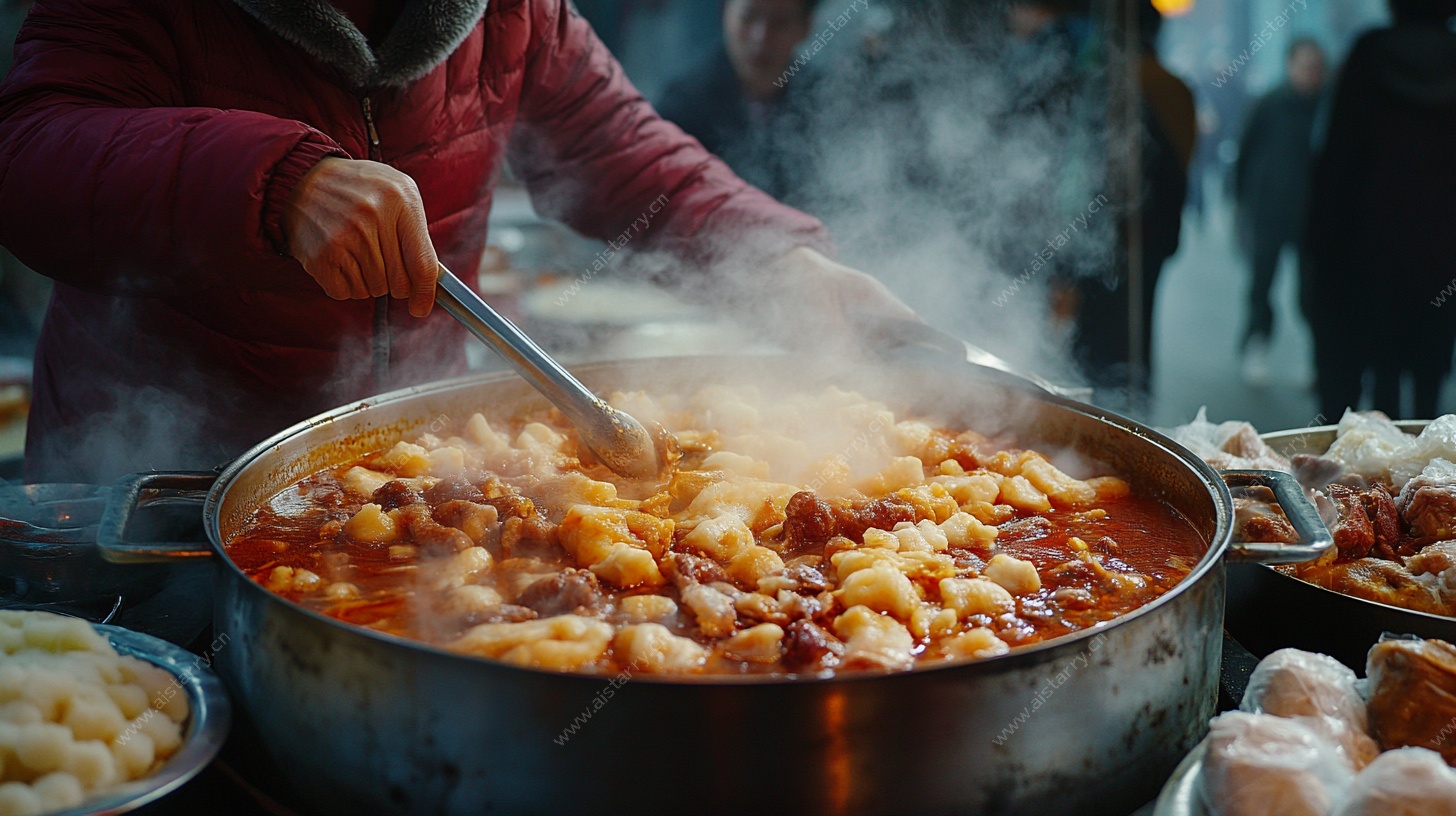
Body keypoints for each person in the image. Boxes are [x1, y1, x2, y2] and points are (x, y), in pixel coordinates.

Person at [0, 0, 914, 483]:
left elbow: (621, 150)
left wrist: (779, 259)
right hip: (153, 481)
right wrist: (277, 184)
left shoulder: (511, 8)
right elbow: (28, 155)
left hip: (407, 469)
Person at [1303, 0, 1456, 419]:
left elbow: (1337, 166)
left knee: (1378, 374)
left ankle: (1379, 475)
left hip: (1370, 256)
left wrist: (1322, 256)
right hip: (1443, 260)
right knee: (1430, 379)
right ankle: (1433, 474)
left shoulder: (1369, 57)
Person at [656, 0, 821, 205]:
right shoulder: (683, 107)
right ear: (724, 14)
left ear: (806, 27)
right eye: (748, 17)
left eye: (780, 23)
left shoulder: (824, 102)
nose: (761, 37)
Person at [1232, 38, 1326, 386]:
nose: (1311, 75)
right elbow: (1245, 153)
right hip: (1268, 210)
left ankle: (1317, 361)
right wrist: (1241, 204)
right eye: (1305, 66)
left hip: (1312, 218)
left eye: (1317, 68)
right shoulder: (1270, 103)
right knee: (1261, 284)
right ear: (1290, 65)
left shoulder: (1327, 107)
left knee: (1313, 293)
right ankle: (1255, 344)